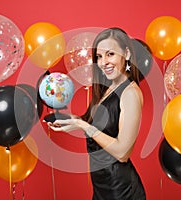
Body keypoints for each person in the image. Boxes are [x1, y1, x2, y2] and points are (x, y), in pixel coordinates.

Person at [47, 27, 146, 200]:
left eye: (110, 54)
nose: (103, 62)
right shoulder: (107, 88)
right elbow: (97, 127)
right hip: (102, 187)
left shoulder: (130, 93)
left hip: (121, 191)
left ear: (127, 54)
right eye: (99, 57)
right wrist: (71, 121)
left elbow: (123, 153)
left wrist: (82, 125)